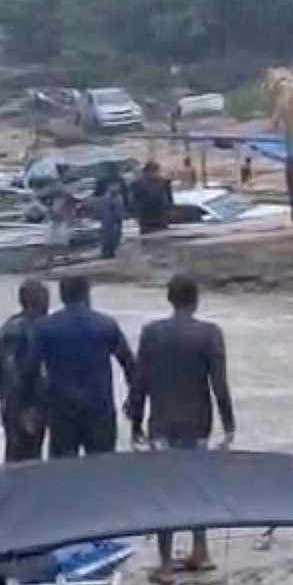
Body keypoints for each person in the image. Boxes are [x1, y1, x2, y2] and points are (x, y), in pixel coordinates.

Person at [127, 275, 235, 583]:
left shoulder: (151, 333)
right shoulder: (210, 334)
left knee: (165, 491)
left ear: (169, 299)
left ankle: (164, 564)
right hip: (198, 422)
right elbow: (219, 384)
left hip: (161, 423)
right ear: (196, 299)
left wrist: (135, 420)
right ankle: (200, 551)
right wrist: (229, 425)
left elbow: (141, 381)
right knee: (196, 486)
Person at [31, 276, 136, 458]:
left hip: (62, 411)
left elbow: (30, 370)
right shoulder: (105, 325)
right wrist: (134, 400)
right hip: (99, 408)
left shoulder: (44, 328)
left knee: (62, 471)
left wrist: (32, 406)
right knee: (101, 469)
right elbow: (130, 365)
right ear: (87, 294)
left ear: (62, 296)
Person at [0, 279, 49, 462]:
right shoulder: (25, 328)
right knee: (25, 454)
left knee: (18, 453)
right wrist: (26, 406)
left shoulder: (9, 326)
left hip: (17, 402)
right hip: (25, 403)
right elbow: (12, 369)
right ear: (39, 300)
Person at [131, 162, 174, 235]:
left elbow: (169, 198)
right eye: (155, 170)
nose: (155, 173)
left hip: (155, 215)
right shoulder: (138, 183)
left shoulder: (163, 182)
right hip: (151, 215)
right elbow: (134, 199)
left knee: (156, 236)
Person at [100, 182, 124, 260]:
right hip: (109, 221)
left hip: (116, 220)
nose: (115, 188)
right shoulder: (107, 198)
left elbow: (120, 209)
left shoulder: (119, 197)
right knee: (108, 236)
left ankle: (112, 251)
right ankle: (106, 251)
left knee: (116, 235)